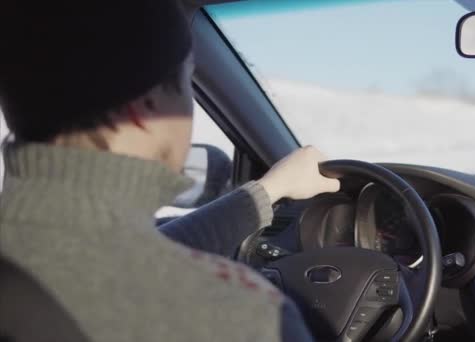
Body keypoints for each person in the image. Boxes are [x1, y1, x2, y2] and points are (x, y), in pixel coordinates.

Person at [0, 0, 339, 341]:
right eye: (188, 81)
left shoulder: (36, 264)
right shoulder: (244, 315)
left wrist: (270, 189)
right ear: (145, 108)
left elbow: (125, 257)